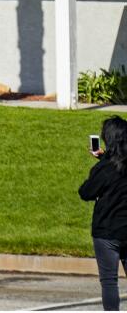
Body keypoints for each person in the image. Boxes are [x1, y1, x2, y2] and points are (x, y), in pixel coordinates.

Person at [81, 116, 127, 310]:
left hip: (106, 232)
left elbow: (86, 192)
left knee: (109, 282)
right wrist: (104, 157)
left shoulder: (105, 169)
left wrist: (102, 161)